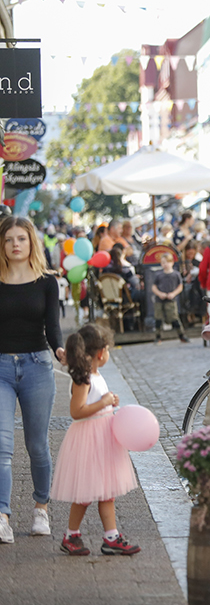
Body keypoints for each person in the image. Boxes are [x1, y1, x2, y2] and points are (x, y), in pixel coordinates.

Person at [0, 217, 65, 543]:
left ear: (31, 243)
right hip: (0, 369)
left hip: (38, 367)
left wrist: (61, 350)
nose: (15, 244)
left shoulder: (46, 282)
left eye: (21, 239)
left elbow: (53, 328)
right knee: (2, 445)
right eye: (9, 239)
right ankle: (2, 516)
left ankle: (41, 508)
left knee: (37, 445)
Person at [50, 324, 139, 556]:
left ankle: (111, 537)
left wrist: (109, 401)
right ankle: (71, 535)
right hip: (88, 440)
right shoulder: (83, 379)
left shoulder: (96, 376)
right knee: (84, 494)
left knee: (105, 491)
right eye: (108, 349)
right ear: (101, 353)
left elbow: (98, 402)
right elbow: (76, 411)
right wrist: (103, 402)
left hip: (102, 438)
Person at [151, 253, 189, 345]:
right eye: (163, 262)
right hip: (159, 300)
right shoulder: (159, 275)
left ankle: (181, 335)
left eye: (167, 262)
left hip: (171, 300)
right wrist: (159, 294)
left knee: (174, 317)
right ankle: (158, 336)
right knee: (158, 318)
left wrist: (173, 294)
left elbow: (180, 287)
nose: (165, 264)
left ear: (172, 262)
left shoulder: (176, 275)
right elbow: (154, 287)